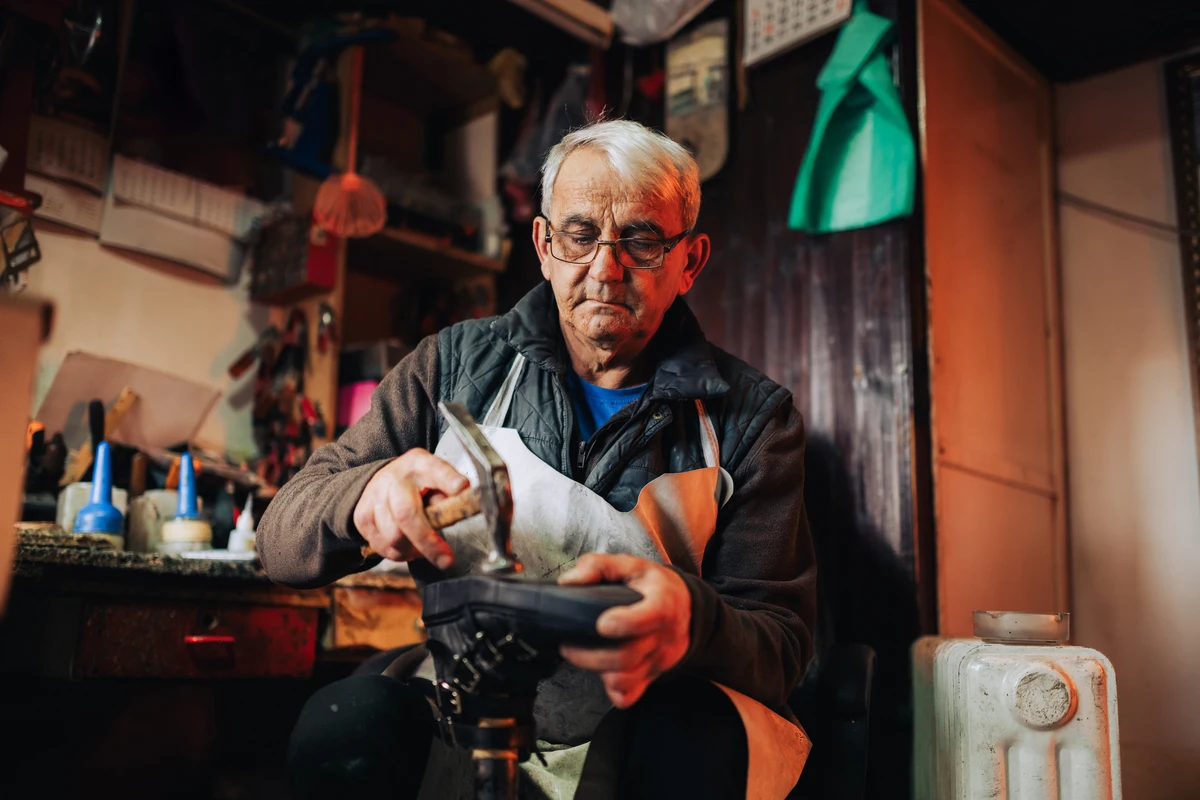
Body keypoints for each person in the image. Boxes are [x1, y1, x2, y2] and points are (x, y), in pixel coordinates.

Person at [258, 119, 817, 799]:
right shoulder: (453, 368)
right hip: (469, 704)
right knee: (344, 727)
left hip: (648, 725)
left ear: (689, 262)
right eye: (580, 236)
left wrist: (696, 622)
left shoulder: (753, 418)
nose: (605, 269)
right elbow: (281, 540)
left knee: (693, 742)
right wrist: (367, 493)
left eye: (640, 240)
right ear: (545, 245)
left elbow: (782, 648)